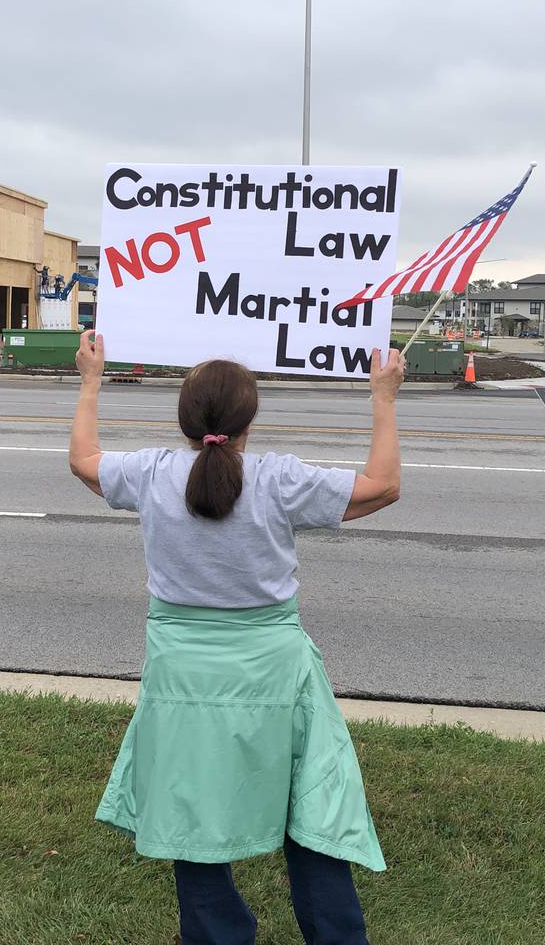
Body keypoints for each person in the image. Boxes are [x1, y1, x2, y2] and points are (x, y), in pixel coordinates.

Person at [69, 330, 403, 945]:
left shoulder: (150, 474)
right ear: (250, 418)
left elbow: (84, 463)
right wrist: (383, 397)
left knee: (192, 811)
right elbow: (382, 486)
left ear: (184, 418)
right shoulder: (278, 479)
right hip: (275, 672)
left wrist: (91, 383)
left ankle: (218, 935)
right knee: (311, 809)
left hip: (182, 677)